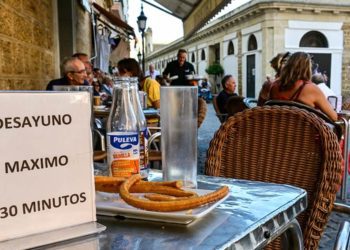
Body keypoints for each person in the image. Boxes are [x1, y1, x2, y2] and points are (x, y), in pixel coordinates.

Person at [269, 51, 337, 121]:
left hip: (276, 130)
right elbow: (333, 117)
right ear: (308, 68)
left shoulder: (274, 86)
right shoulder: (310, 88)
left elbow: (268, 109)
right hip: (303, 131)